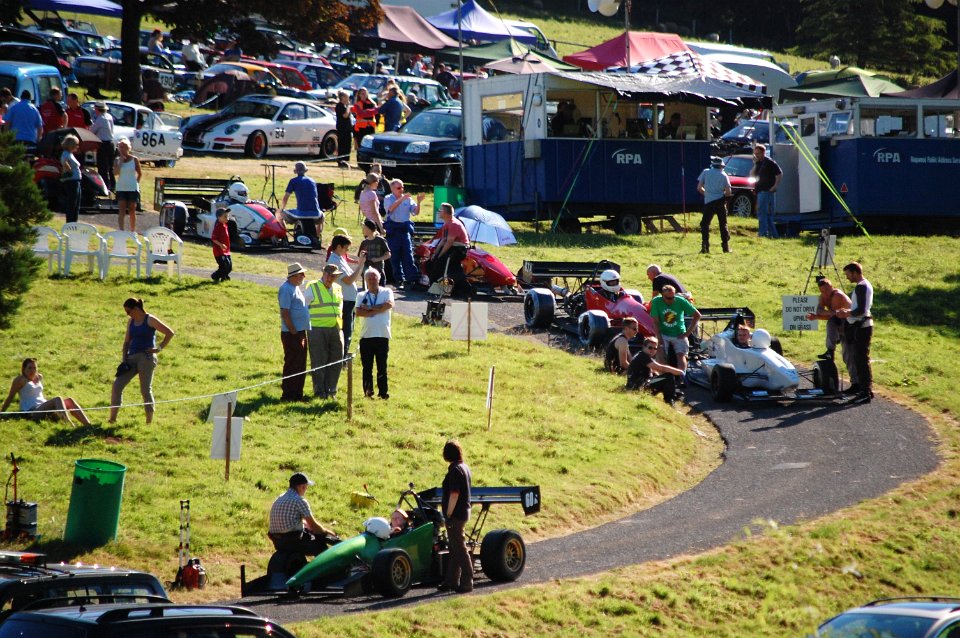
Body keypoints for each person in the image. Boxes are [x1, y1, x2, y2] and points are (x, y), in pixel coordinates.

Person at [108, 298, 175, 424]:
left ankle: (148, 422)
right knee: (117, 385)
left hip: (146, 357)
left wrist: (158, 349)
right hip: (131, 358)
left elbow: (169, 333)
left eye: (129, 311)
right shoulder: (131, 322)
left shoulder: (150, 319)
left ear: (136, 308)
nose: (128, 314)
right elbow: (127, 341)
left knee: (145, 390)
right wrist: (124, 359)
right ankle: (112, 419)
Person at [2, 358, 91, 426]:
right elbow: (10, 397)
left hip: (43, 407)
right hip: (32, 411)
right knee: (58, 399)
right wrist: (2, 412)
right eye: (29, 368)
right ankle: (68, 425)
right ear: (23, 369)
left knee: (69, 401)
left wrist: (38, 376)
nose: (32, 371)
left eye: (34, 368)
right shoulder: (20, 380)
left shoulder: (38, 377)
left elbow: (39, 379)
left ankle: (88, 425)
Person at [268, 472, 337, 556]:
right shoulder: (299, 500)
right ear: (301, 487)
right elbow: (314, 526)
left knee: (307, 530)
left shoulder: (279, 498)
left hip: (277, 542)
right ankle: (327, 566)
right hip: (292, 541)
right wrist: (328, 532)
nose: (306, 490)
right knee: (320, 544)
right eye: (306, 487)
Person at [303, 263, 344, 399]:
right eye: (327, 274)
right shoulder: (312, 286)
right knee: (319, 360)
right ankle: (320, 392)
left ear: (336, 276)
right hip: (317, 329)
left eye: (332, 276)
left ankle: (331, 390)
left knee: (336, 360)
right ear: (323, 274)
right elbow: (303, 306)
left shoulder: (338, 288)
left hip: (336, 328)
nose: (329, 278)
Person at [438, 439, 472, 594]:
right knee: (454, 547)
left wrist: (449, 514)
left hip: (456, 515)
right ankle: (451, 581)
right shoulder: (464, 467)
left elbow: (454, 494)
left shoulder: (454, 470)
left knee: (459, 548)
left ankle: (467, 581)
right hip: (464, 512)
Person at [837, 262, 874, 404]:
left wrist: (846, 312)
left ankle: (866, 391)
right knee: (857, 358)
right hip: (859, 325)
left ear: (854, 272)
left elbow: (861, 310)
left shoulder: (862, 286)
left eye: (847, 274)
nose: (847, 278)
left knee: (862, 359)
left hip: (862, 327)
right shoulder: (863, 285)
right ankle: (859, 387)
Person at [355, 268, 394, 399]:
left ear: (379, 279)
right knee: (367, 367)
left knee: (382, 367)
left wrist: (370, 308)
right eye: (369, 279)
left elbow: (388, 305)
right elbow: (359, 312)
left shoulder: (387, 291)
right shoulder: (361, 295)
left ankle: (383, 393)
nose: (372, 281)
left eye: (374, 278)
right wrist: (379, 308)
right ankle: (367, 392)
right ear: (365, 281)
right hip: (366, 336)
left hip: (382, 335)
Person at [326, 235, 366, 354]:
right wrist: (360, 265)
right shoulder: (334, 261)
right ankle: (341, 358)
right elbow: (349, 280)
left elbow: (352, 277)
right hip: (344, 301)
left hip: (349, 300)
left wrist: (361, 263)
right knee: (345, 331)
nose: (347, 251)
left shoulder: (339, 258)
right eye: (346, 248)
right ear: (339, 247)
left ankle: (342, 357)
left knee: (349, 330)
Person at [649, 284, 701, 373]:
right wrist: (659, 337)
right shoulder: (656, 302)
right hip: (663, 333)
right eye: (669, 298)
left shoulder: (680, 301)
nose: (672, 300)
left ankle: (681, 375)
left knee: (681, 355)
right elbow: (655, 322)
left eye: (673, 297)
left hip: (679, 333)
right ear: (662, 296)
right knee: (660, 351)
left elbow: (697, 315)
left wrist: (687, 333)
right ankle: (665, 376)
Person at [383, 179, 424, 289]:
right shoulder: (388, 198)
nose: (401, 190)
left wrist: (419, 202)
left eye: (402, 187)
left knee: (408, 254)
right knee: (395, 256)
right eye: (398, 188)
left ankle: (412, 279)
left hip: (404, 229)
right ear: (392, 189)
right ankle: (399, 279)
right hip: (393, 229)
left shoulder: (408, 199)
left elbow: (415, 212)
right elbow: (390, 210)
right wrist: (402, 199)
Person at [278, 263, 310, 402]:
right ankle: (288, 395)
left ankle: (297, 394)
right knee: (292, 362)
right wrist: (294, 332)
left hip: (299, 332)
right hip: (292, 333)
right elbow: (285, 313)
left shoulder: (295, 288)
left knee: (300, 363)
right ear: (294, 275)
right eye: (301, 274)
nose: (304, 276)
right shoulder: (286, 289)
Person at [626, 337, 685, 404]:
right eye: (650, 347)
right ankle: (669, 401)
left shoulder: (643, 355)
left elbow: (654, 371)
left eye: (655, 348)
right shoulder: (643, 356)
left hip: (637, 384)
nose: (653, 350)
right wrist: (680, 372)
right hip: (638, 387)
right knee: (668, 376)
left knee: (665, 381)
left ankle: (673, 395)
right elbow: (661, 368)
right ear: (644, 347)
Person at [805, 277, 851, 361]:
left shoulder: (837, 296)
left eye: (827, 290)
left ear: (831, 287)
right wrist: (816, 316)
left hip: (850, 322)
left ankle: (831, 349)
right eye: (822, 291)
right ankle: (830, 350)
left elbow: (833, 316)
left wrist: (817, 316)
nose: (825, 293)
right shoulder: (822, 297)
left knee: (832, 322)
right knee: (832, 321)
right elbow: (819, 311)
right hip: (839, 319)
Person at [696, 156, 732, 254]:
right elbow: (728, 192)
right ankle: (725, 247)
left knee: (705, 224)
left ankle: (705, 246)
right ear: (721, 166)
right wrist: (723, 197)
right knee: (723, 224)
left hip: (708, 203)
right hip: (720, 202)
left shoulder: (705, 172)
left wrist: (706, 194)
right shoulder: (724, 175)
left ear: (713, 165)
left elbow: (699, 188)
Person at [280, 161, 322, 245]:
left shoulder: (293, 181)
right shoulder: (313, 181)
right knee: (321, 218)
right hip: (316, 213)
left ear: (295, 171)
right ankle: (317, 239)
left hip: (301, 212)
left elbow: (285, 198)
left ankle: (284, 238)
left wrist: (281, 209)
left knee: (279, 215)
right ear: (305, 170)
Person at [428, 202, 469, 287]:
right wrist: (436, 254)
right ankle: (433, 284)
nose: (438, 211)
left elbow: (449, 242)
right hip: (452, 246)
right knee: (433, 260)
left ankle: (436, 286)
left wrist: (440, 256)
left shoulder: (454, 224)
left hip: (459, 249)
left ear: (446, 213)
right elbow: (443, 240)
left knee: (440, 262)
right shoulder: (446, 223)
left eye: (440, 210)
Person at [751, 143, 782, 239]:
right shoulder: (758, 163)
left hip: (766, 190)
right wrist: (755, 164)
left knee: (762, 212)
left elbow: (779, 174)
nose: (757, 155)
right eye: (755, 154)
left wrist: (775, 186)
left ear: (763, 152)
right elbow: (752, 175)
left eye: (758, 153)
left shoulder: (770, 162)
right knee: (767, 215)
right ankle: (774, 235)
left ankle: (762, 233)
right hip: (760, 190)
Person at [114, 137, 142, 232]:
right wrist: (120, 162)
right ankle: (121, 230)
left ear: (128, 148)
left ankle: (132, 230)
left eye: (123, 147)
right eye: (120, 147)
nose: (121, 149)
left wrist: (136, 183)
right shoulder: (117, 160)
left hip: (132, 187)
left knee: (132, 209)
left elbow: (139, 173)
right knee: (121, 209)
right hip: (121, 187)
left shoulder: (134, 159)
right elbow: (115, 173)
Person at [89, 102, 115, 191]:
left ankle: (104, 187)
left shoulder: (100, 119)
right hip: (111, 143)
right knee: (110, 166)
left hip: (103, 144)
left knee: (102, 167)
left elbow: (92, 131)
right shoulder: (109, 117)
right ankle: (112, 184)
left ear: (97, 110)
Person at [358, 219, 391, 284]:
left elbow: (388, 255)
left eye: (364, 228)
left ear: (369, 229)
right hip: (367, 273)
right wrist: (362, 256)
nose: (363, 230)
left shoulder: (380, 240)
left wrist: (377, 259)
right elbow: (359, 257)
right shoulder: (364, 242)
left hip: (379, 271)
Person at [59, 134, 82, 223]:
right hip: (71, 181)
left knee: (76, 204)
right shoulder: (66, 154)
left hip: (76, 180)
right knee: (72, 203)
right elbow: (64, 162)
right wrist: (68, 169)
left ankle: (74, 222)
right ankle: (70, 222)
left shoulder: (70, 154)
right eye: (76, 144)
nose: (77, 146)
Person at [210, 207, 232, 283]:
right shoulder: (218, 227)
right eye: (225, 217)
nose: (227, 218)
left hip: (226, 250)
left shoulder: (225, 225)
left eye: (227, 216)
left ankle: (224, 276)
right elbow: (213, 239)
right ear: (219, 218)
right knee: (224, 266)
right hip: (219, 251)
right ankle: (215, 276)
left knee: (229, 266)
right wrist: (221, 245)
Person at [334, 91, 352, 162]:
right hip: (342, 129)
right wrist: (348, 107)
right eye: (347, 97)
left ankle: (346, 160)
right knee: (342, 145)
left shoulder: (345, 106)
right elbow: (345, 115)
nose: (348, 99)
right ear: (343, 97)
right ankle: (341, 161)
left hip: (347, 129)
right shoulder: (339, 106)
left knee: (348, 145)